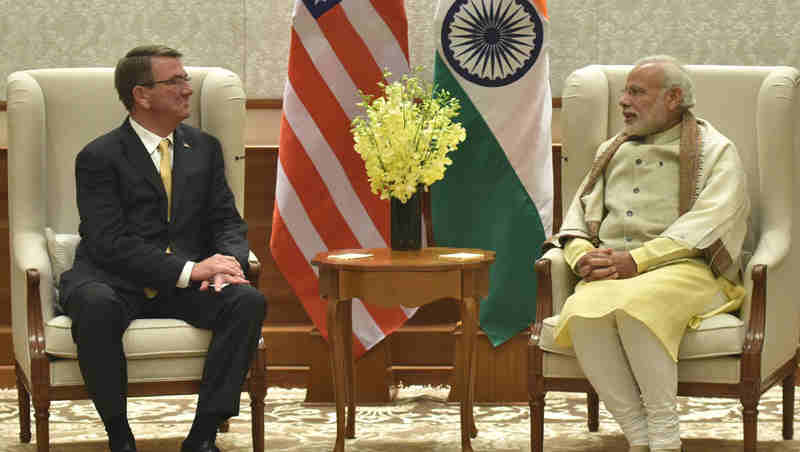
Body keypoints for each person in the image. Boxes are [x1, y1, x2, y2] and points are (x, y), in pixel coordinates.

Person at [58, 45, 267, 452]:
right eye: (176, 81)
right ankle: (120, 437)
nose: (187, 89)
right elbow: (108, 242)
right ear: (142, 94)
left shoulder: (204, 148)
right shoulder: (98, 157)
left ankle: (203, 435)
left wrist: (226, 266)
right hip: (114, 278)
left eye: (185, 79)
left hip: (183, 286)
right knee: (94, 305)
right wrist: (191, 270)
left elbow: (227, 221)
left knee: (247, 302)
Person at [546, 56, 749, 452]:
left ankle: (664, 431)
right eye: (624, 91)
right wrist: (582, 256)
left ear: (674, 97)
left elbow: (709, 223)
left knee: (637, 306)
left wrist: (636, 261)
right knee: (584, 312)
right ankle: (640, 435)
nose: (623, 101)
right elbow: (577, 214)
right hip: (614, 269)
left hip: (686, 268)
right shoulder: (611, 149)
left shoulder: (715, 150)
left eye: (636, 92)